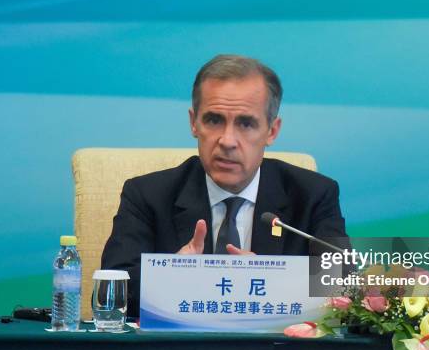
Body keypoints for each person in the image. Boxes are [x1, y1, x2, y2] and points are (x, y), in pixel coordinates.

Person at [101, 54, 348, 316]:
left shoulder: (314, 195)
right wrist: (170, 275)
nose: (227, 141)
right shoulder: (148, 195)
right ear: (194, 123)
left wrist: (270, 283)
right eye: (214, 120)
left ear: (272, 131)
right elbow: (108, 292)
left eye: (246, 123)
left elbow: (343, 288)